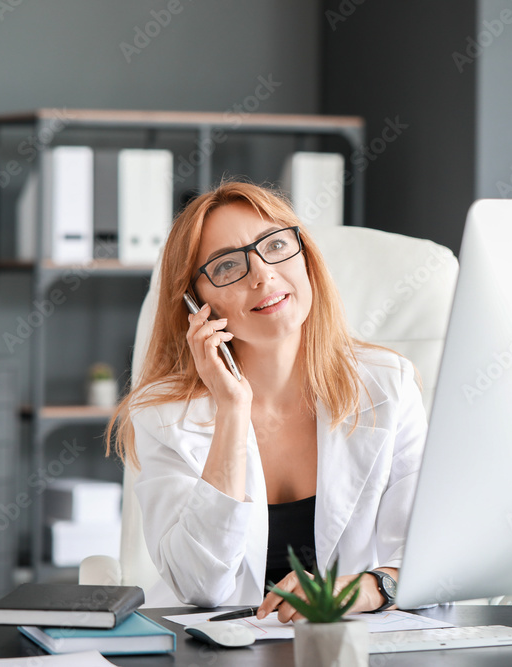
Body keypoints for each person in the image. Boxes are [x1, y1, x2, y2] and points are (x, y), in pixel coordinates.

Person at [106, 181, 427, 621]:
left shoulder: (388, 385)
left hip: (347, 646)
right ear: (195, 303)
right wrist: (231, 411)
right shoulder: (161, 416)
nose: (262, 274)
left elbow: (425, 562)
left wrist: (364, 589)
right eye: (226, 267)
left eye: (276, 245)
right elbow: (201, 585)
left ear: (306, 258)